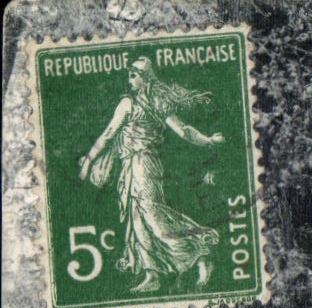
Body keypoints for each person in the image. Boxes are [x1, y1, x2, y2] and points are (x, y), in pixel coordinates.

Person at [78, 56, 223, 293]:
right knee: (138, 218)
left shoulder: (153, 103)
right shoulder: (129, 103)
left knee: (153, 215)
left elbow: (183, 131)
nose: (130, 78)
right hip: (132, 166)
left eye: (134, 74)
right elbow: (109, 135)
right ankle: (152, 274)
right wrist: (89, 161)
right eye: (129, 74)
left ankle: (200, 253)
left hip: (145, 164)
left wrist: (208, 141)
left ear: (145, 78)